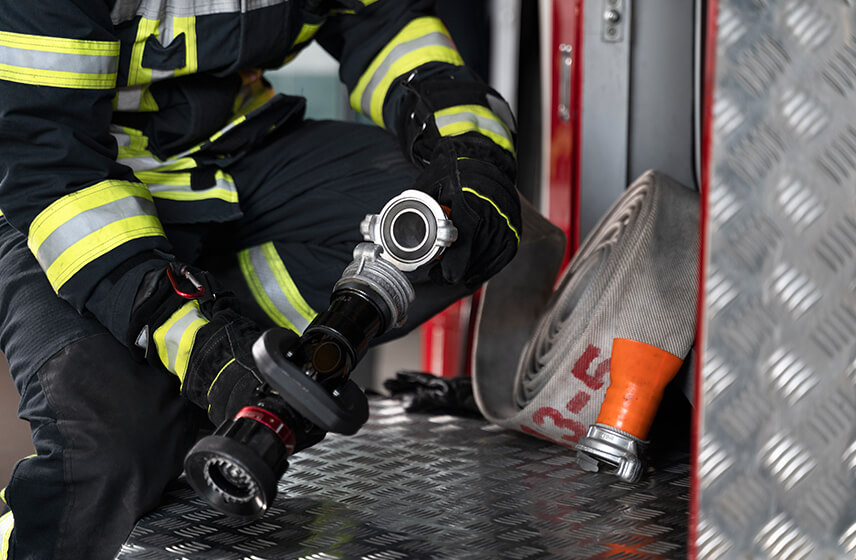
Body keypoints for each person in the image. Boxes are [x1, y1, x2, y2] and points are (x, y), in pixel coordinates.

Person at [0, 0, 521, 558]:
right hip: (63, 203)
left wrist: (469, 148)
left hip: (230, 153)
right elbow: (49, 164)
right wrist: (200, 347)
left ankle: (197, 373)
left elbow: (386, 21)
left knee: (453, 232)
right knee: (106, 456)